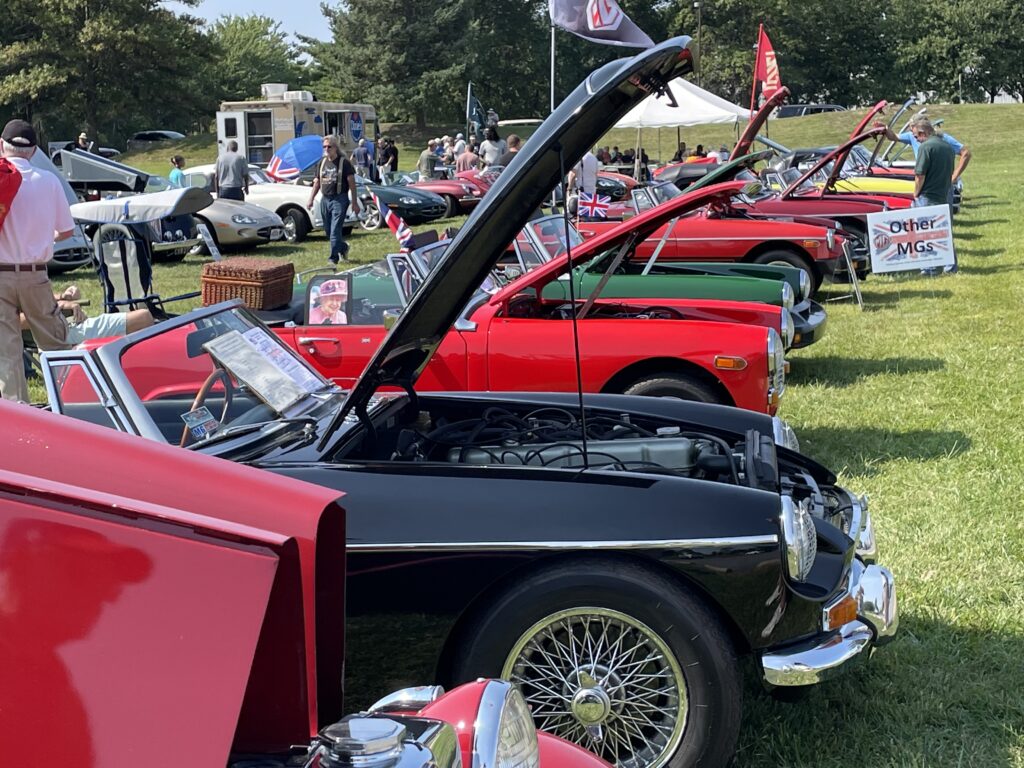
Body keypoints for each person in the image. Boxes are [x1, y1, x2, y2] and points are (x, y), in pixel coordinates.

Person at [0, 119, 76, 402]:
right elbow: (66, 230)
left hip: (0, 274)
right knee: (54, 344)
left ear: (1, 146)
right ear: (33, 151)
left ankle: (18, 417)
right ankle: (70, 403)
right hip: (34, 273)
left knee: (6, 354)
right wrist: (45, 239)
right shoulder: (48, 181)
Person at [20, 285, 153, 346]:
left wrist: (63, 296)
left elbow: (36, 299)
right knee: (142, 319)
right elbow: (14, 321)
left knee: (144, 319)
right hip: (57, 332)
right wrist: (60, 306)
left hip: (67, 323)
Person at [907, 118, 958, 275]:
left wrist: (915, 193)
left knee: (926, 234)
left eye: (916, 136)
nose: (916, 139)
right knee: (944, 231)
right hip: (943, 193)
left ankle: (930, 268)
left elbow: (920, 174)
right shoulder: (947, 147)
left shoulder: (925, 147)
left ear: (923, 133)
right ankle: (951, 266)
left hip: (927, 196)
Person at [307, 135, 360, 265]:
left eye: (329, 146)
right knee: (328, 231)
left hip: (340, 199)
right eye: (324, 147)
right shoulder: (322, 162)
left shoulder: (344, 162)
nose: (326, 149)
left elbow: (352, 184)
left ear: (335, 147)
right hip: (325, 199)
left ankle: (333, 258)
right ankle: (343, 247)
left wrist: (354, 203)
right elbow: (317, 182)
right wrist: (311, 199)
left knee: (335, 230)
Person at [880, 119, 971, 191]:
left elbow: (966, 153)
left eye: (914, 129)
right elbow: (894, 137)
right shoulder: (912, 136)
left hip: (942, 183)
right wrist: (886, 128)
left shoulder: (943, 138)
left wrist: (954, 176)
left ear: (923, 130)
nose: (914, 137)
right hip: (926, 183)